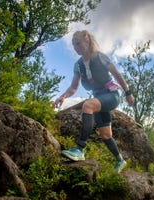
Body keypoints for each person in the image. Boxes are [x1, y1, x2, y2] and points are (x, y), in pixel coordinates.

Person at [52, 30, 134, 173]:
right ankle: (120, 160)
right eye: (73, 45)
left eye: (78, 43)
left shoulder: (100, 57)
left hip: (111, 95)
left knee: (88, 105)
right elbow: (73, 87)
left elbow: (117, 74)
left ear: (87, 42)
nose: (76, 47)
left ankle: (79, 148)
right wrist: (63, 96)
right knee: (106, 135)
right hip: (99, 98)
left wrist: (128, 93)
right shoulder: (78, 65)